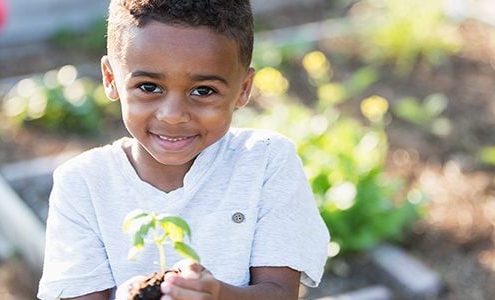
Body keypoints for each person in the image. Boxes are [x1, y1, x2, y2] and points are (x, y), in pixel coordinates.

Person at [37, 0, 330, 299]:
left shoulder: (266, 161)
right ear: (111, 78)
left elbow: (280, 293)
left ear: (243, 88)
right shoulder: (83, 183)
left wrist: (216, 294)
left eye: (203, 91)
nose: (173, 114)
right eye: (149, 87)